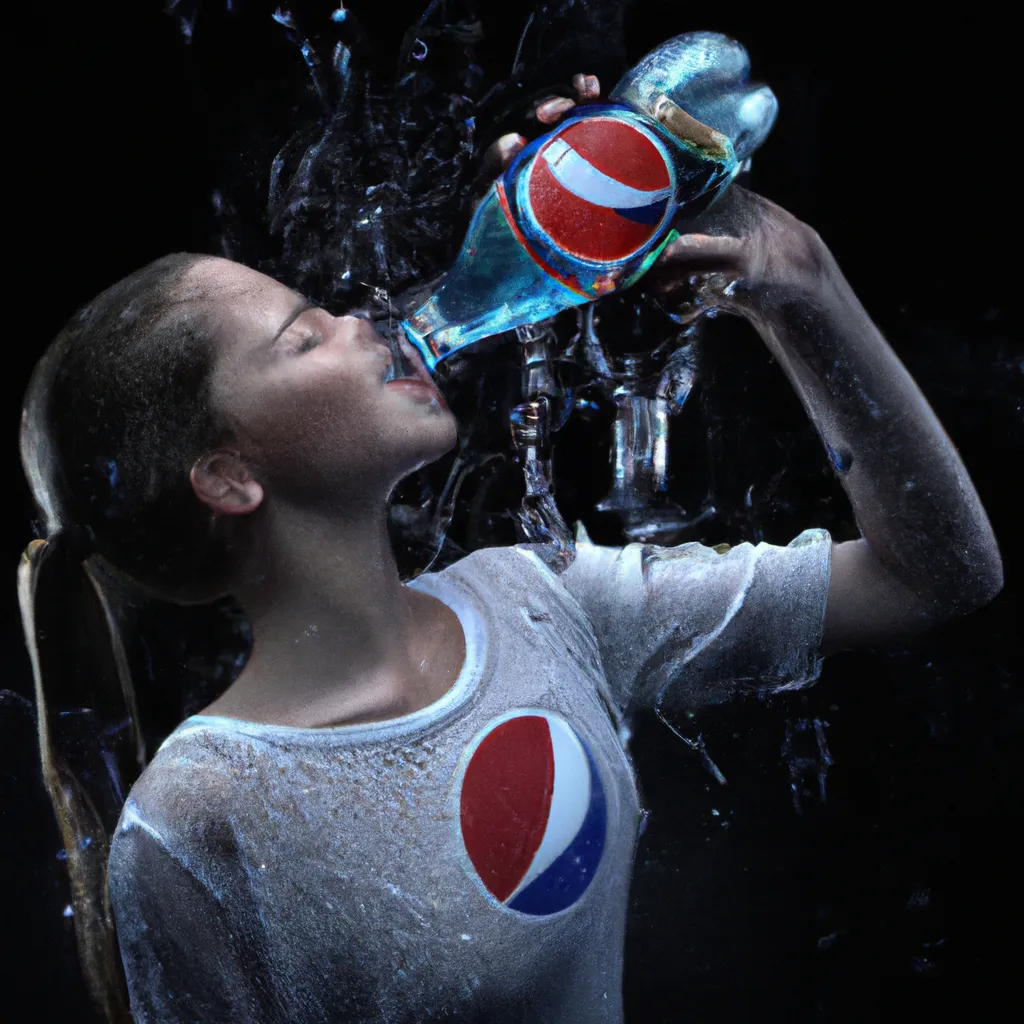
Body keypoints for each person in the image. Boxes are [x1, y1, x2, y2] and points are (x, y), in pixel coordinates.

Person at [19, 74, 1002, 1023]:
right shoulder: (198, 818)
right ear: (229, 476)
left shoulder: (538, 600)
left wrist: (795, 278)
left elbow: (937, 572)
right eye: (304, 336)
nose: (366, 323)